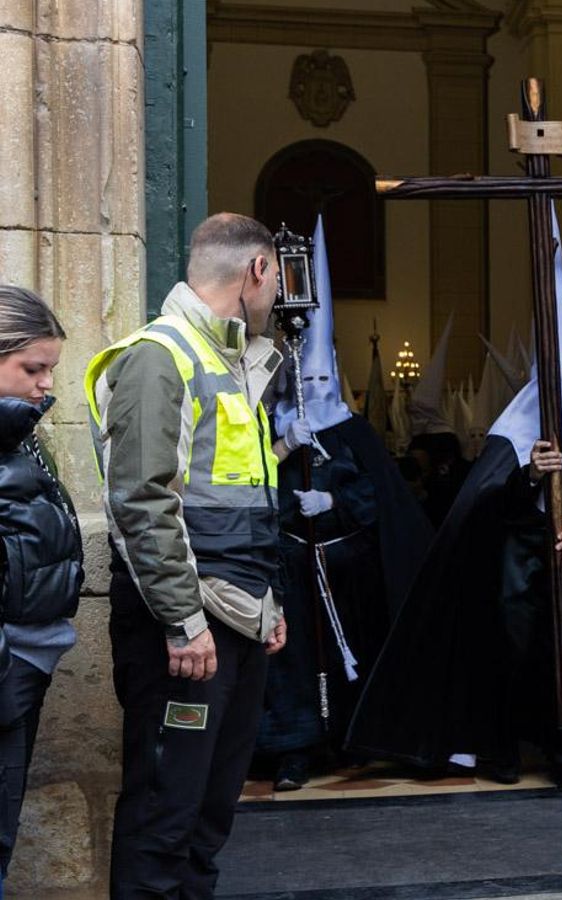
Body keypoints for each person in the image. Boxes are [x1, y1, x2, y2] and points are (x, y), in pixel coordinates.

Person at [348, 208, 562, 788]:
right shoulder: (511, 434)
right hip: (519, 575)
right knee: (514, 653)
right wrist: (526, 476)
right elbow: (478, 508)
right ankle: (506, 744)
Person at [85, 213, 289, 898]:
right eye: (278, 279)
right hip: (187, 628)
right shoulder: (159, 355)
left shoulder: (233, 363)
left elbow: (239, 502)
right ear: (257, 270)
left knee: (207, 818)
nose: (278, 298)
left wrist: (268, 603)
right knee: (163, 816)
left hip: (234, 616)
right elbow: (141, 503)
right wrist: (183, 621)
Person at [256, 219, 433, 791]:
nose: (317, 384)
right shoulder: (270, 429)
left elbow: (380, 498)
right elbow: (246, 485)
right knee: (293, 665)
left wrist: (332, 496)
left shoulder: (354, 433)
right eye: (307, 376)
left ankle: (353, 736)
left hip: (346, 569)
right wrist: (284, 456)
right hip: (291, 566)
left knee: (350, 653)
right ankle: (294, 748)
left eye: (325, 375)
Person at [0, 286, 83, 883]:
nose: (45, 385)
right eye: (33, 368)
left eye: (49, 370)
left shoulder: (20, 431)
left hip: (25, 665)